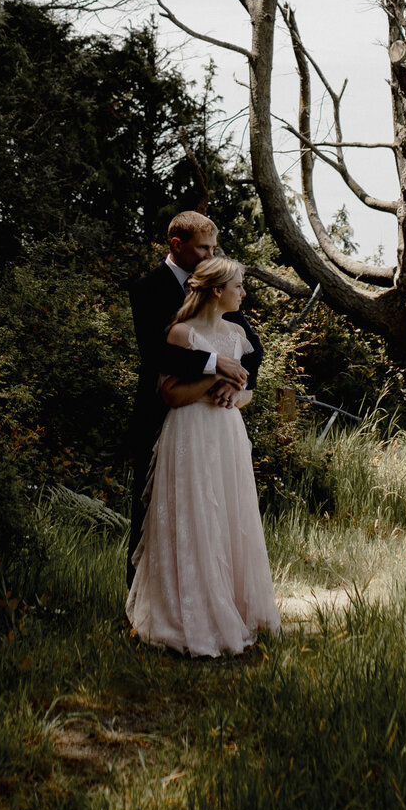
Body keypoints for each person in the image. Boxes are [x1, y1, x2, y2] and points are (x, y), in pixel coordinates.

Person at [125, 255, 279, 656]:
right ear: (216, 291)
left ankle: (232, 606)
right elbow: (171, 393)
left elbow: (247, 390)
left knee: (228, 515)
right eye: (238, 286)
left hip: (227, 433)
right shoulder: (180, 333)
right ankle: (187, 613)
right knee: (194, 516)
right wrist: (214, 379)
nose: (243, 293)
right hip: (189, 433)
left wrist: (236, 392)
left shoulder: (238, 334)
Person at [124, 212, 260, 581]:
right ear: (177, 245)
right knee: (152, 505)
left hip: (213, 414)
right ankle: (145, 593)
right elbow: (156, 354)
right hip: (161, 410)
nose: (210, 253)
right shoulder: (148, 288)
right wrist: (216, 364)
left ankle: (210, 585)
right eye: (203, 247)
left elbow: (252, 349)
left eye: (214, 247)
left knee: (213, 504)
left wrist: (239, 384)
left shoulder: (217, 282)